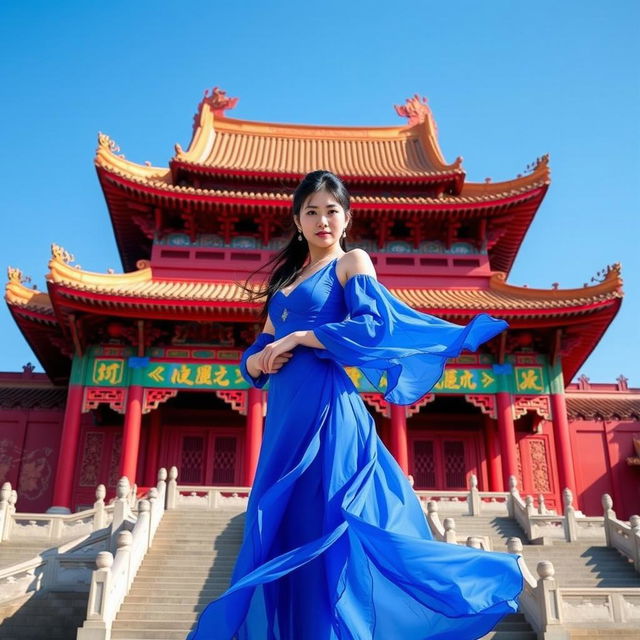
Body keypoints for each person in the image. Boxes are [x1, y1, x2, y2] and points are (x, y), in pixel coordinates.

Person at [188, 170, 524, 640]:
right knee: (280, 529)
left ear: (346, 218)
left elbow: (370, 326)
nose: (322, 219)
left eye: (331, 210)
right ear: (297, 221)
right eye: (311, 211)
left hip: (326, 410)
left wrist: (304, 337)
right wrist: (261, 360)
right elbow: (255, 351)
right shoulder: (286, 279)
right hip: (284, 419)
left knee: (326, 524)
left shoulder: (351, 263)